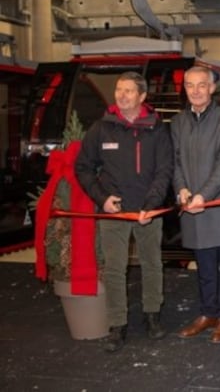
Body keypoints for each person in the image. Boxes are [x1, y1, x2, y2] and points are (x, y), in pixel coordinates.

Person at [75, 71, 173, 353]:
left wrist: (151, 204)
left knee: (152, 264)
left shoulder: (157, 128)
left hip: (147, 212)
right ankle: (117, 324)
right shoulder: (102, 128)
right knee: (115, 269)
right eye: (119, 90)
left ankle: (152, 315)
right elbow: (83, 168)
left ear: (142, 96)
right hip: (114, 212)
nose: (122, 95)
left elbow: (164, 170)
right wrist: (102, 199)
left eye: (129, 91)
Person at [172, 66, 220, 344]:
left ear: (212, 88)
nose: (195, 90)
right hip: (192, 205)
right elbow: (176, 161)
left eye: (201, 85)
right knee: (203, 266)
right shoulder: (178, 122)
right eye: (190, 85)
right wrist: (182, 189)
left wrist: (204, 195)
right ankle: (207, 313)